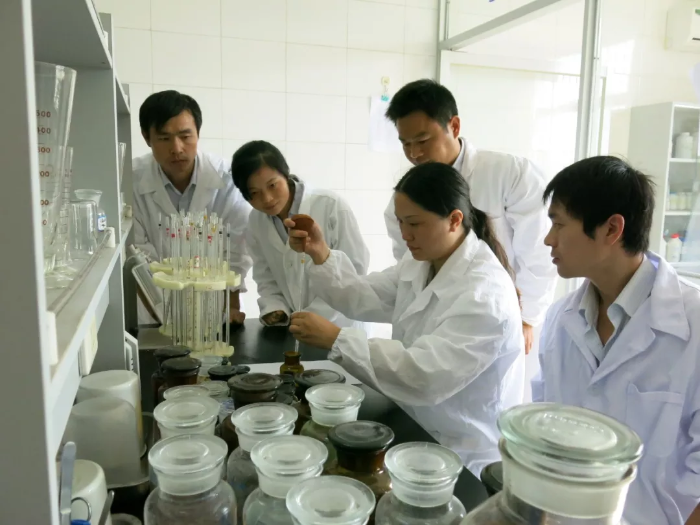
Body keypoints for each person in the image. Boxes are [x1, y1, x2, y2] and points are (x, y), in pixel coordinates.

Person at [285, 162, 525, 476]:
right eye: (400, 222)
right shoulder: (422, 262)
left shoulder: (485, 294)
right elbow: (364, 295)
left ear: (455, 220)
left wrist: (336, 339)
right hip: (414, 422)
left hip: (461, 451)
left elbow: (425, 374)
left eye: (414, 223)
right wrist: (320, 252)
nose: (405, 235)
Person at [531, 156, 700, 525]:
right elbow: (544, 433)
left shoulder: (694, 326)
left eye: (559, 223)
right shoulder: (560, 321)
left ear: (611, 229)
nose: (548, 239)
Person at [383, 79, 557, 353]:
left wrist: (527, 317)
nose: (414, 153)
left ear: (454, 126)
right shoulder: (407, 196)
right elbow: (409, 265)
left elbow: (538, 252)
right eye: (405, 144)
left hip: (499, 318)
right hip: (439, 320)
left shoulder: (509, 173)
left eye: (423, 141)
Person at [133, 90, 252, 323]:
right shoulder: (131, 181)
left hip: (216, 308)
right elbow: (138, 259)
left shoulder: (227, 180)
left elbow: (237, 252)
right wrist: (163, 318)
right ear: (147, 138)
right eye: (164, 138)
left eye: (185, 136)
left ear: (198, 133)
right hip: (154, 311)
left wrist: (230, 308)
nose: (177, 148)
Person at [230, 140, 369, 328]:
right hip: (294, 328)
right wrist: (275, 308)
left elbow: (356, 268)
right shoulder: (256, 221)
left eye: (273, 185)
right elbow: (265, 275)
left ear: (285, 173)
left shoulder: (330, 206)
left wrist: (315, 316)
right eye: (254, 192)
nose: (267, 199)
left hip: (339, 325)